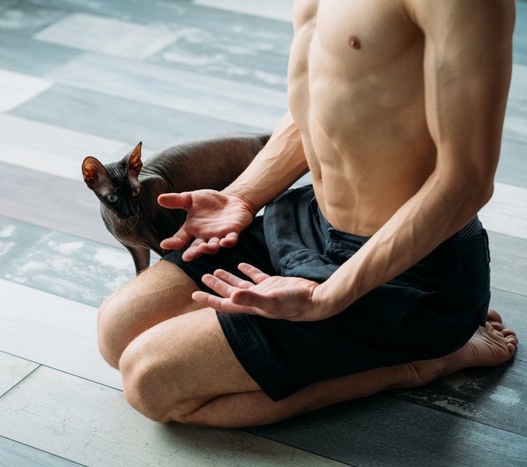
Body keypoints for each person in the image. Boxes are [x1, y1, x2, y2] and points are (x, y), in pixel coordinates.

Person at [97, 0, 519, 427]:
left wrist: (328, 296)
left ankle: (421, 363)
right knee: (116, 333)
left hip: (412, 275)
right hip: (309, 225)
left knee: (149, 383)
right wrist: (242, 195)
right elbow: (328, 94)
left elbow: (464, 181)